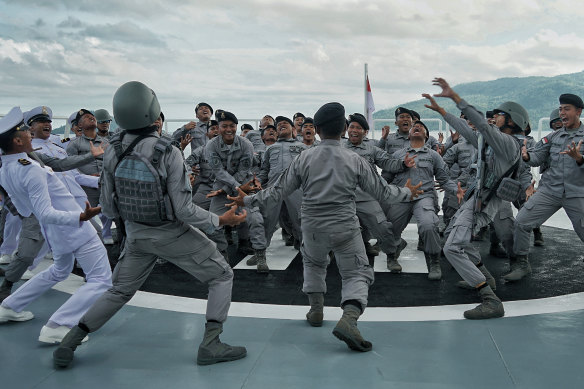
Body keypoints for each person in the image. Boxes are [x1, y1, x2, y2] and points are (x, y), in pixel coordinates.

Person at [53, 81, 248, 368]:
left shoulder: (112, 149)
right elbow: (183, 210)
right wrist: (220, 220)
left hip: (135, 235)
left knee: (119, 291)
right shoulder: (167, 152)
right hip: (170, 232)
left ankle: (69, 343)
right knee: (221, 276)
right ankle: (211, 344)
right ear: (153, 113)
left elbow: (108, 207)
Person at [227, 102, 422, 352]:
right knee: (356, 273)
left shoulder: (303, 158)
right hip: (345, 226)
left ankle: (316, 310)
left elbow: (276, 192)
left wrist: (246, 199)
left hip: (312, 226)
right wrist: (408, 192)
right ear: (343, 128)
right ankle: (349, 317)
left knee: (314, 263)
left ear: (317, 130)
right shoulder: (355, 159)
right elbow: (383, 192)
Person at [0, 107, 113, 344]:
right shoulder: (30, 169)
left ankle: (9, 306)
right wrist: (79, 218)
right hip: (73, 228)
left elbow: (24, 210)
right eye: (26, 133)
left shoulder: (7, 169)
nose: (31, 135)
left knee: (60, 270)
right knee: (101, 279)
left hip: (54, 232)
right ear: (18, 140)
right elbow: (45, 211)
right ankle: (58, 325)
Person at [424, 77, 525, 320]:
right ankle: (483, 276)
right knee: (452, 236)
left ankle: (490, 298)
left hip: (486, 203)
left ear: (510, 121)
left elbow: (480, 124)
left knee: (452, 247)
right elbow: (468, 130)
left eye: (500, 114)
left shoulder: (506, 143)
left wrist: (456, 97)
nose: (495, 117)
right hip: (476, 199)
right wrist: (443, 112)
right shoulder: (491, 143)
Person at [513, 94, 584, 279]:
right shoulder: (552, 137)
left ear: (578, 111)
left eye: (566, 109)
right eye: (560, 109)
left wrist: (580, 159)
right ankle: (521, 263)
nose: (562, 113)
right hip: (550, 191)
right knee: (521, 221)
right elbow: (537, 159)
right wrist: (527, 157)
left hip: (577, 192)